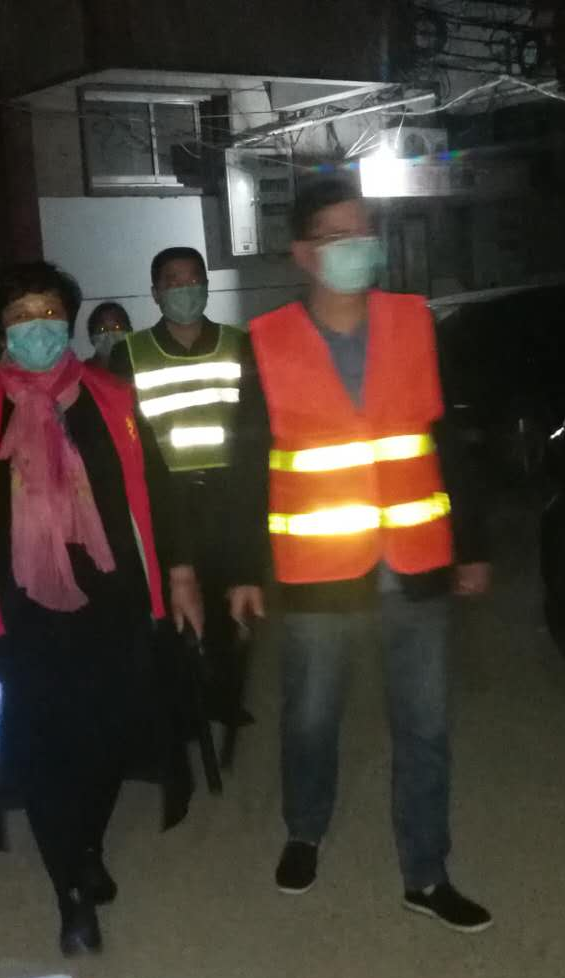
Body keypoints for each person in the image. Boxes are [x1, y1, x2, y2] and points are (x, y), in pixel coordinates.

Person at [223, 175, 494, 932]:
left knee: (425, 726)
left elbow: (450, 439)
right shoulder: (267, 343)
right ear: (303, 253)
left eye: (363, 231)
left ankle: (426, 874)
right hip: (318, 570)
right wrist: (242, 569)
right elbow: (246, 464)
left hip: (416, 561)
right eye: (338, 236)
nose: (357, 247)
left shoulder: (415, 323)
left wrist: (473, 543)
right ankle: (304, 831)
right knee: (311, 717)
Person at [0, 261, 204, 956]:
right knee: (42, 744)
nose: (37, 327)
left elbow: (157, 490)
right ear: (0, 327)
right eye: (20, 315)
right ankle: (70, 890)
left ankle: (88, 844)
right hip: (16, 607)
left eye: (48, 312)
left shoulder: (110, 397)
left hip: (111, 600)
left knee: (106, 736)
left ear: (69, 320)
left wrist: (178, 574)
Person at [107, 247, 256, 743]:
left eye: (194, 279)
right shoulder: (129, 354)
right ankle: (185, 704)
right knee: (173, 603)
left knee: (228, 601)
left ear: (207, 286)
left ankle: (226, 696)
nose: (185, 289)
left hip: (226, 497)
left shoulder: (240, 344)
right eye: (173, 281)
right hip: (163, 499)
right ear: (155, 293)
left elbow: (255, 427)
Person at [84, 302, 133, 370]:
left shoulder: (140, 368)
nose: (110, 335)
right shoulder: (82, 372)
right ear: (91, 337)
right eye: (102, 329)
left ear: (130, 332)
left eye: (117, 327)